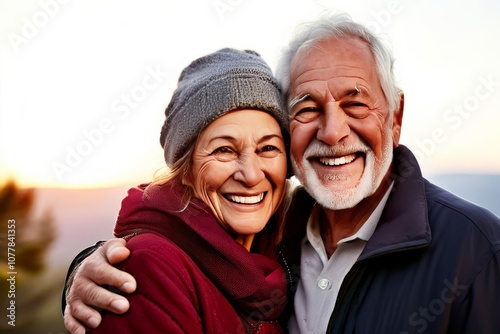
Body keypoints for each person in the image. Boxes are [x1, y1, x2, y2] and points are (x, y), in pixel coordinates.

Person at [64, 12, 500, 333]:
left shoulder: (477, 251)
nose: (332, 132)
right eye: (307, 109)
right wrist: (89, 269)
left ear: (395, 116)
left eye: (355, 103)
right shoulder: (282, 238)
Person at [64, 47, 296, 333]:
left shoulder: (288, 253)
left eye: (268, 148)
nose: (250, 174)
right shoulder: (148, 268)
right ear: (185, 170)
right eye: (223, 150)